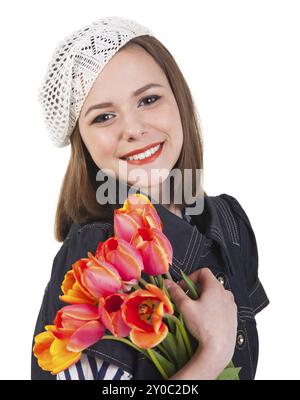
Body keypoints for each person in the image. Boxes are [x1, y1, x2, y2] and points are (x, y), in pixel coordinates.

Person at [32, 16, 270, 380]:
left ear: (179, 98)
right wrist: (212, 353)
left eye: (148, 99)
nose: (134, 129)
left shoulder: (228, 224)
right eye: (104, 116)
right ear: (84, 144)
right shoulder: (96, 255)